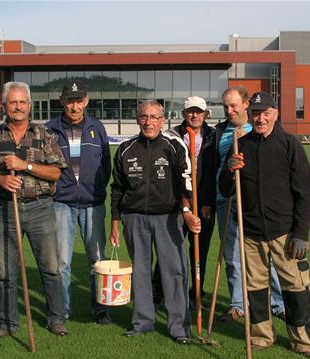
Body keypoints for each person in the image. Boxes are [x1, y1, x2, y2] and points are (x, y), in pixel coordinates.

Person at [219, 92, 310, 359]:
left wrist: (301, 233)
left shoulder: (290, 144)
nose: (260, 118)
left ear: (276, 114)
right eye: (256, 113)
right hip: (250, 232)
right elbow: (225, 189)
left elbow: (305, 194)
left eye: (266, 113)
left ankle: (303, 342)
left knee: (295, 288)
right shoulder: (241, 144)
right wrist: (230, 169)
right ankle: (262, 336)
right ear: (250, 114)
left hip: (284, 232)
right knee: (256, 289)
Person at [0, 81, 68, 339]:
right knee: (6, 272)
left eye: (22, 102)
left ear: (30, 105)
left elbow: (55, 173)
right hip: (5, 210)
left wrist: (24, 165)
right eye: (13, 102)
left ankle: (56, 320)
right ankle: (7, 324)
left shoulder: (44, 135)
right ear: (3, 105)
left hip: (41, 208)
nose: (18, 107)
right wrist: (0, 180)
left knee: (50, 268)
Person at [109, 100, 201, 345]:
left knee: (174, 271)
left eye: (153, 117)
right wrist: (115, 222)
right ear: (137, 119)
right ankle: (142, 322)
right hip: (134, 218)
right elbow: (117, 188)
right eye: (143, 117)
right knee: (139, 272)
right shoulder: (126, 149)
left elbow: (186, 182)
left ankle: (179, 327)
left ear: (162, 120)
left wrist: (187, 211)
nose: (148, 122)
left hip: (168, 217)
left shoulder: (174, 145)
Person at [214, 86, 285, 321]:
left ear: (246, 104)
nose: (229, 110)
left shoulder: (257, 129)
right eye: (225, 106)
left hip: (253, 202)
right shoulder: (220, 131)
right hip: (226, 200)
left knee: (266, 254)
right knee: (232, 256)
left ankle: (277, 303)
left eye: (233, 105)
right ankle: (237, 305)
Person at [46, 79, 112, 325]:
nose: (74, 107)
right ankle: (62, 312)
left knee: (97, 260)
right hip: (61, 203)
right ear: (62, 102)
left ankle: (100, 309)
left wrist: (94, 189)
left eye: (79, 101)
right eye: (70, 101)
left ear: (86, 101)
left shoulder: (97, 127)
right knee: (62, 261)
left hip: (93, 203)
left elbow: (106, 164)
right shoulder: (49, 129)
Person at [152, 96, 217, 308]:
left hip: (204, 203)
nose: (194, 115)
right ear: (183, 114)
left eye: (199, 111)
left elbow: (211, 173)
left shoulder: (213, 136)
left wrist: (207, 201)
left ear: (206, 114)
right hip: (178, 202)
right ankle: (159, 292)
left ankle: (196, 293)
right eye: (190, 111)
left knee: (200, 250)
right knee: (169, 248)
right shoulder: (172, 136)